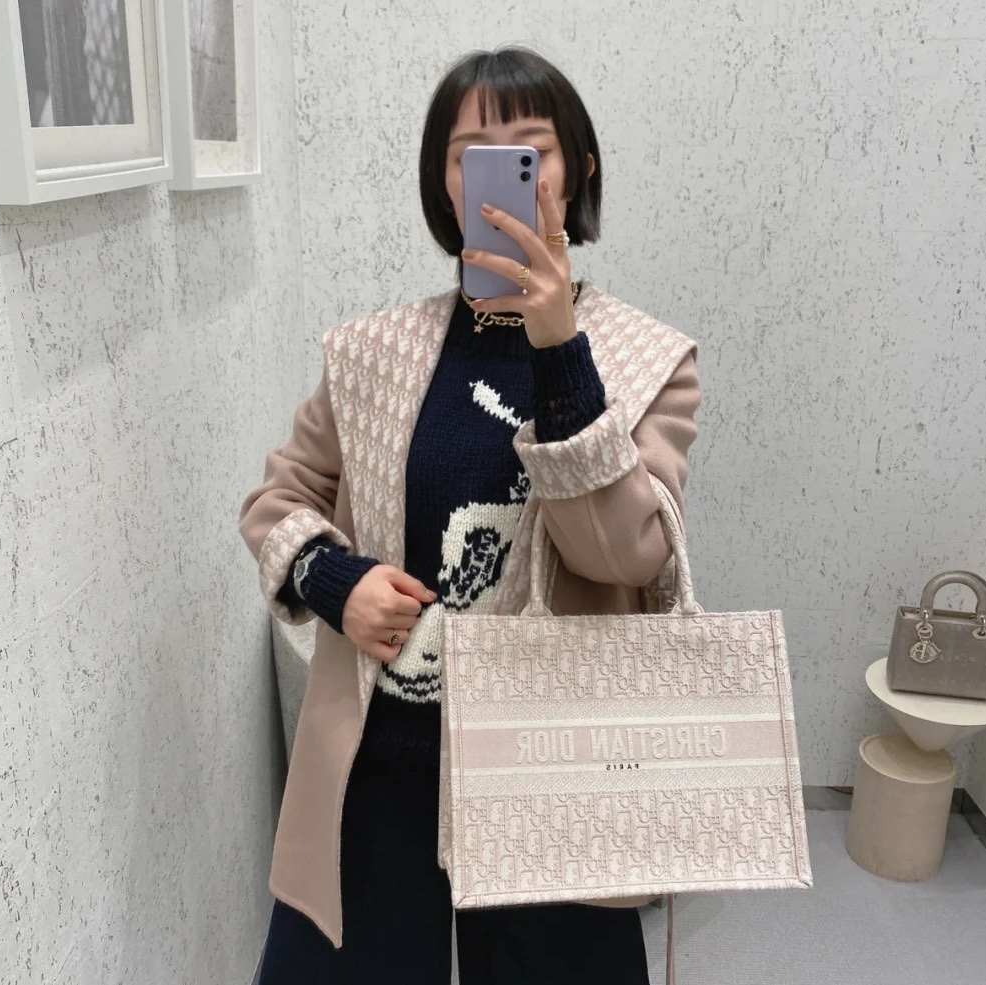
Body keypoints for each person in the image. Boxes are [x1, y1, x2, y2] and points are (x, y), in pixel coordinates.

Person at [239, 45, 702, 985]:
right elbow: (279, 500)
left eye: (529, 151)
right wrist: (334, 580)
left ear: (577, 171)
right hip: (382, 760)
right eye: (469, 156)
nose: (498, 179)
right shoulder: (370, 351)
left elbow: (624, 554)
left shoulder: (648, 359)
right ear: (443, 185)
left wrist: (558, 352)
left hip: (555, 767)